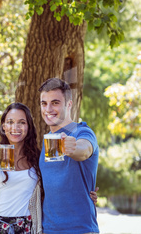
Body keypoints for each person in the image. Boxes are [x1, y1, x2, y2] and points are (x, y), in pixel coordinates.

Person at [38, 78, 99, 233]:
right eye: (44, 103)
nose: (48, 109)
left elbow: (84, 150)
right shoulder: (48, 142)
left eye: (55, 102)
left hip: (80, 229)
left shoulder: (82, 132)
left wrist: (73, 148)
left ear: (69, 104)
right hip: (49, 229)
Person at [0, 103, 43, 234]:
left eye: (22, 122)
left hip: (27, 226)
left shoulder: (37, 158)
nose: (15, 127)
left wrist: (86, 193)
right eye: (10, 122)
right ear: (4, 126)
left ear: (28, 127)